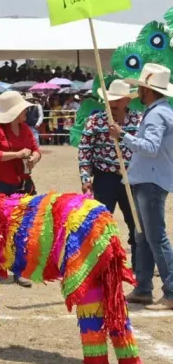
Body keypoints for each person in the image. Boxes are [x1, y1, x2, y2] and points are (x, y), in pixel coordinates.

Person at [110, 63, 173, 309]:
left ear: (149, 90)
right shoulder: (161, 111)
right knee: (144, 236)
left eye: (141, 88)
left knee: (154, 237)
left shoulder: (157, 114)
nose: (138, 93)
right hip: (149, 179)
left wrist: (122, 135)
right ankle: (144, 288)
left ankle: (170, 290)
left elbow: (149, 147)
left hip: (151, 181)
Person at [0, 90, 41, 288]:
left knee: (21, 229)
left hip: (21, 185)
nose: (26, 112)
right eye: (22, 109)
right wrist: (17, 154)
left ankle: (19, 270)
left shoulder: (25, 129)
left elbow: (36, 150)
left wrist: (34, 158)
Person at [78, 79, 141, 272]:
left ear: (127, 101)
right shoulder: (96, 120)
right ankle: (101, 266)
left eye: (117, 100)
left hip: (132, 179)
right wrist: (85, 177)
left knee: (136, 224)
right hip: (105, 178)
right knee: (100, 223)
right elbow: (85, 150)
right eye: (110, 100)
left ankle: (139, 268)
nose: (112, 104)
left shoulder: (139, 120)